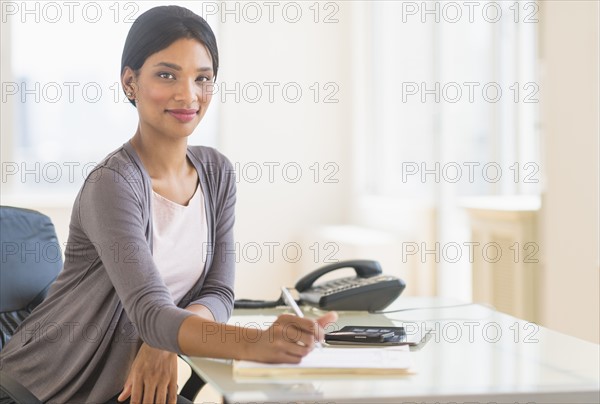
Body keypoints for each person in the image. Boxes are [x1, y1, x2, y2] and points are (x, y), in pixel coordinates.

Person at [0, 6, 337, 404]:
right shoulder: (113, 184)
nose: (188, 94)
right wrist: (256, 343)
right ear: (130, 82)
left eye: (203, 78)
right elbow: (151, 311)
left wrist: (161, 341)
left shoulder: (217, 173)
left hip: (126, 388)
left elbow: (219, 293)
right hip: (43, 387)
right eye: (166, 75)